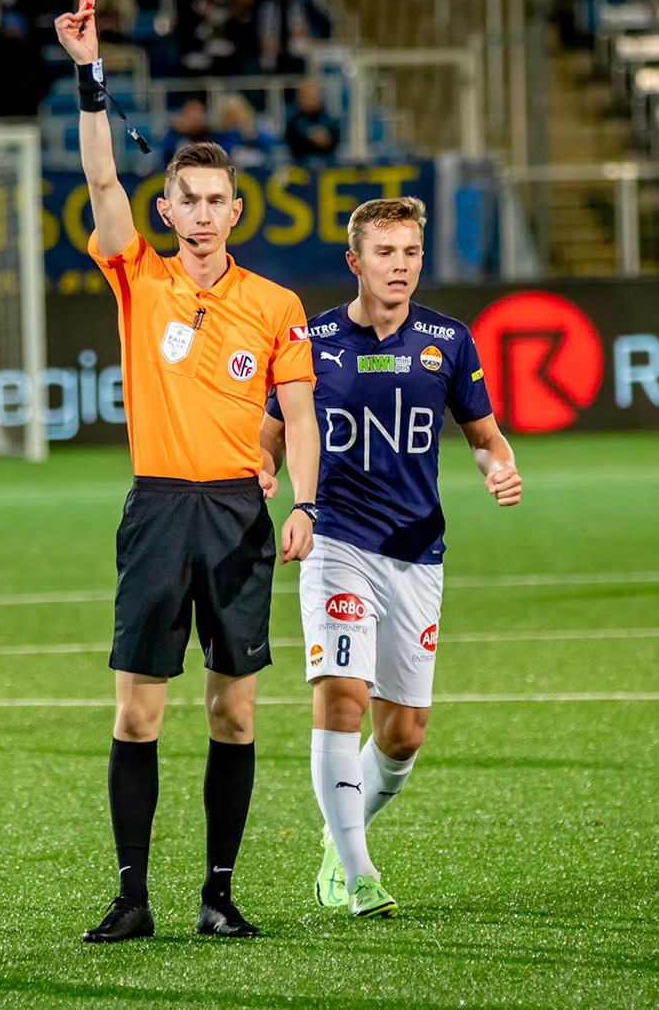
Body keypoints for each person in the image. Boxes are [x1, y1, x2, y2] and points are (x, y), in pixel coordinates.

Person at [56, 6, 320, 943]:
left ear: (234, 211)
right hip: (160, 508)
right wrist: (90, 73)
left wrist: (305, 504)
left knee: (235, 714)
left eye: (217, 201)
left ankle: (218, 893)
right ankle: (132, 897)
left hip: (242, 514)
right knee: (136, 713)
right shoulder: (138, 274)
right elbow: (98, 170)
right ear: (166, 211)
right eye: (188, 201)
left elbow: (296, 414)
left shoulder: (276, 302)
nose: (202, 215)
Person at [260, 196, 521, 919]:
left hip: (418, 552)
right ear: (355, 261)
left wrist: (498, 465)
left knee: (402, 733)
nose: (399, 265)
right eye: (385, 252)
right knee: (342, 697)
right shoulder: (310, 340)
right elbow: (270, 430)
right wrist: (265, 469)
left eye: (409, 252)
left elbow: (484, 435)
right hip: (337, 540)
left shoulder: (449, 340)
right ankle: (355, 872)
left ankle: (337, 839)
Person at [284, 79, 342, 165]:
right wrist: (311, 137)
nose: (311, 100)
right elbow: (294, 144)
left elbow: (334, 140)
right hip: (302, 166)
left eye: (314, 97)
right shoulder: (293, 121)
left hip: (327, 166)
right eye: (307, 96)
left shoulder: (329, 119)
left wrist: (324, 139)